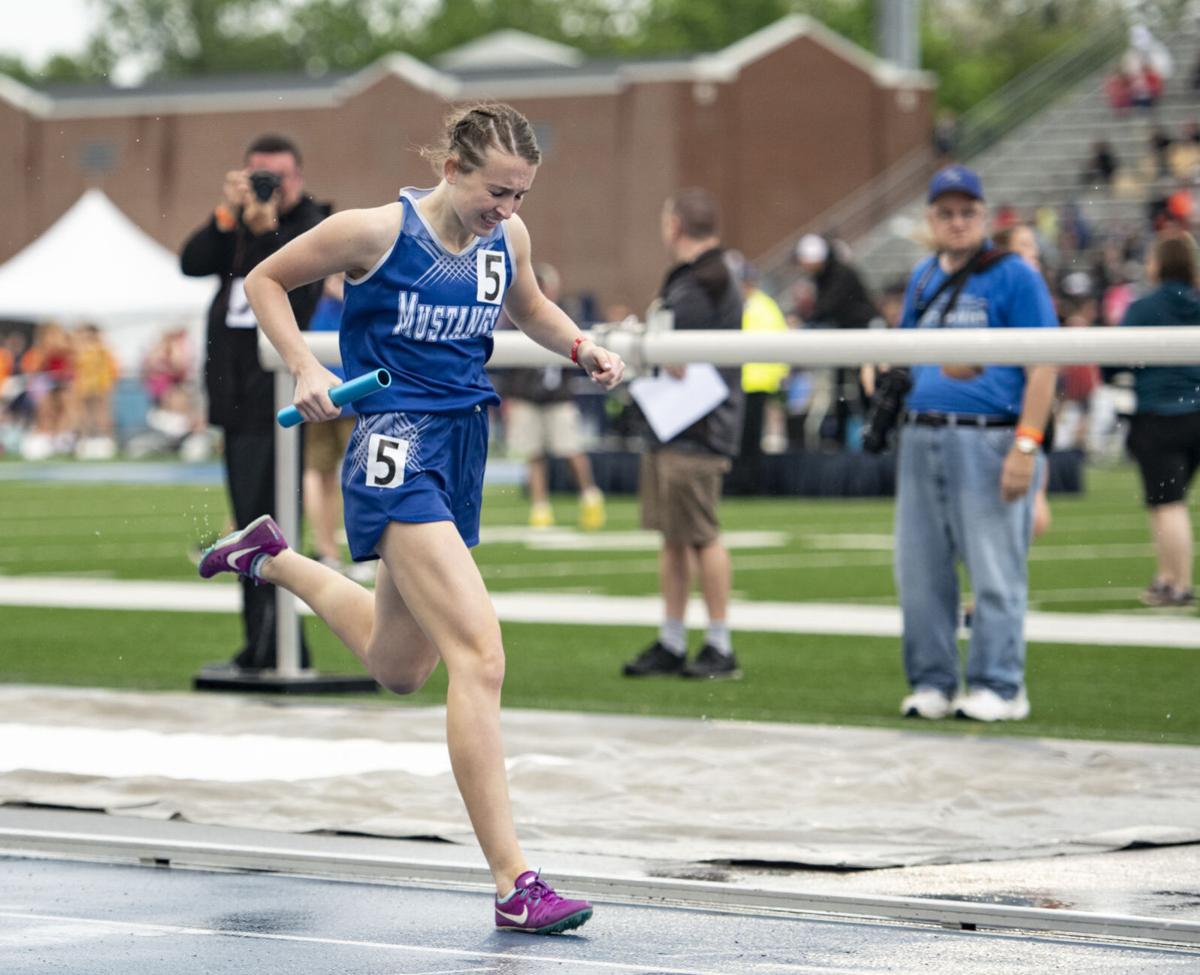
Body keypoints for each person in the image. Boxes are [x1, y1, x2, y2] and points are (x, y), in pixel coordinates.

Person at [198, 103, 621, 933]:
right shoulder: (371, 232)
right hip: (395, 444)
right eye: (496, 191)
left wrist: (581, 346)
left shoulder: (509, 238)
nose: (507, 209)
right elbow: (264, 280)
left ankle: (270, 557)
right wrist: (301, 364)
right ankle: (514, 882)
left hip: (464, 443)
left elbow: (527, 307)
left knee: (400, 665)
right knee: (480, 654)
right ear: (454, 167)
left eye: (521, 196)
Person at [891, 165, 1058, 723]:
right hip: (922, 433)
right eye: (946, 213)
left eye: (967, 212)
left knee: (994, 569)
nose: (957, 222)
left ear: (984, 217)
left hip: (988, 438)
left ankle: (1000, 683)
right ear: (932, 220)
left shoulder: (1013, 275)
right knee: (920, 571)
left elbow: (1044, 366)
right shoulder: (920, 277)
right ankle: (933, 681)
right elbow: (908, 351)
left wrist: (1027, 445)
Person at [181, 133, 328, 674]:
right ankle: (261, 643)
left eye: (278, 178)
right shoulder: (236, 225)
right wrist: (230, 212)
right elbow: (191, 261)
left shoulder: (313, 225)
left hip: (283, 400)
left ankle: (284, 644)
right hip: (237, 398)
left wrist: (267, 229)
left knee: (276, 527)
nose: (269, 188)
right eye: (258, 177)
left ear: (299, 178)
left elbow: (293, 292)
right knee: (248, 526)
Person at [622, 188, 744, 680]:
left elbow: (673, 358)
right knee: (675, 537)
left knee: (700, 535)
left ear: (675, 225)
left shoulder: (704, 280)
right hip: (677, 425)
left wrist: (638, 343)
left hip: (694, 425)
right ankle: (673, 639)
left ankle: (719, 644)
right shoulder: (708, 277)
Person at [1117, 235, 1200, 608]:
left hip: (1159, 414)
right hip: (1196, 412)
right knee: (1166, 501)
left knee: (1168, 503)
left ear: (1158, 264)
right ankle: (1166, 578)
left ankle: (1179, 585)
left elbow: (1113, 359)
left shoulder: (1145, 307)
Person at [495, 262, 606, 530]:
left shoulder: (566, 318)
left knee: (571, 450)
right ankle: (540, 507)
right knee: (533, 454)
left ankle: (590, 496)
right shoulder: (515, 321)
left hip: (558, 398)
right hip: (526, 396)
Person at [795, 233, 877, 448]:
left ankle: (871, 432)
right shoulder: (824, 275)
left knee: (862, 385)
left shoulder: (840, 274)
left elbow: (830, 303)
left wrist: (805, 320)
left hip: (861, 333)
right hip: (845, 334)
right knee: (840, 385)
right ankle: (841, 436)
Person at [731, 259, 789, 492]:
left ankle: (747, 482)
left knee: (750, 437)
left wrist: (778, 374)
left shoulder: (762, 306)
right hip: (742, 381)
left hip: (756, 381)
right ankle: (740, 480)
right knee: (740, 437)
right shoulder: (755, 305)